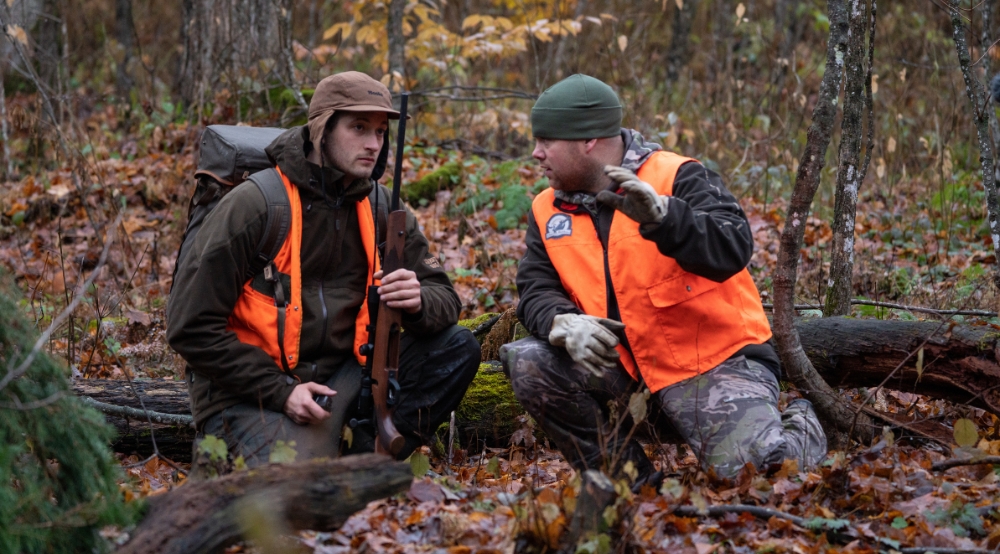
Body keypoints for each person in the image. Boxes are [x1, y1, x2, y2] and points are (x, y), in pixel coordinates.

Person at [501, 74, 826, 484]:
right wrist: (561, 322)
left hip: (710, 364)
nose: (536, 153)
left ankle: (802, 422)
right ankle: (631, 487)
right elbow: (535, 288)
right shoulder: (546, 209)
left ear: (588, 140)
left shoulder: (678, 175)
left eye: (546, 141)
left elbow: (734, 245)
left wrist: (667, 220)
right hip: (623, 372)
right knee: (529, 360)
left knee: (764, 478)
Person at [167, 71, 481, 468]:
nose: (373, 144)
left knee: (456, 348)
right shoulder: (257, 205)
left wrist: (418, 301)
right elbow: (189, 327)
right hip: (251, 389)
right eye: (359, 128)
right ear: (321, 130)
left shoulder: (382, 208)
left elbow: (446, 299)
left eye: (380, 132)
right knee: (292, 490)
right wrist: (281, 391)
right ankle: (323, 461)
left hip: (348, 379)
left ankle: (364, 459)